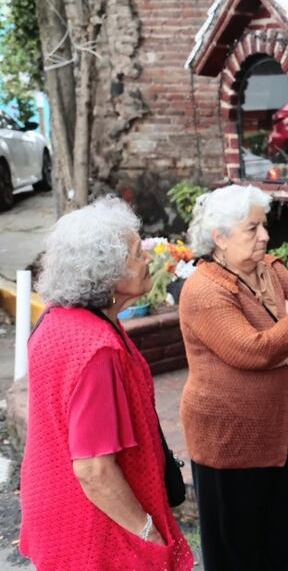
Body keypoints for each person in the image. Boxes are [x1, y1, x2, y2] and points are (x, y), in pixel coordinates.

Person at [19, 197, 193, 570]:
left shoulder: (57, 320)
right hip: (94, 530)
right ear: (106, 271)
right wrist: (146, 533)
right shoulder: (96, 348)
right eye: (135, 253)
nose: (147, 257)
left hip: (56, 508)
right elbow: (94, 470)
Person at [179, 184, 288, 570]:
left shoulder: (272, 270)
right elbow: (250, 349)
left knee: (274, 542)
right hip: (228, 440)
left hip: (274, 432)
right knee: (236, 551)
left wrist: (280, 351)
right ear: (219, 238)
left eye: (263, 226)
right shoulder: (205, 289)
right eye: (252, 229)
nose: (264, 236)